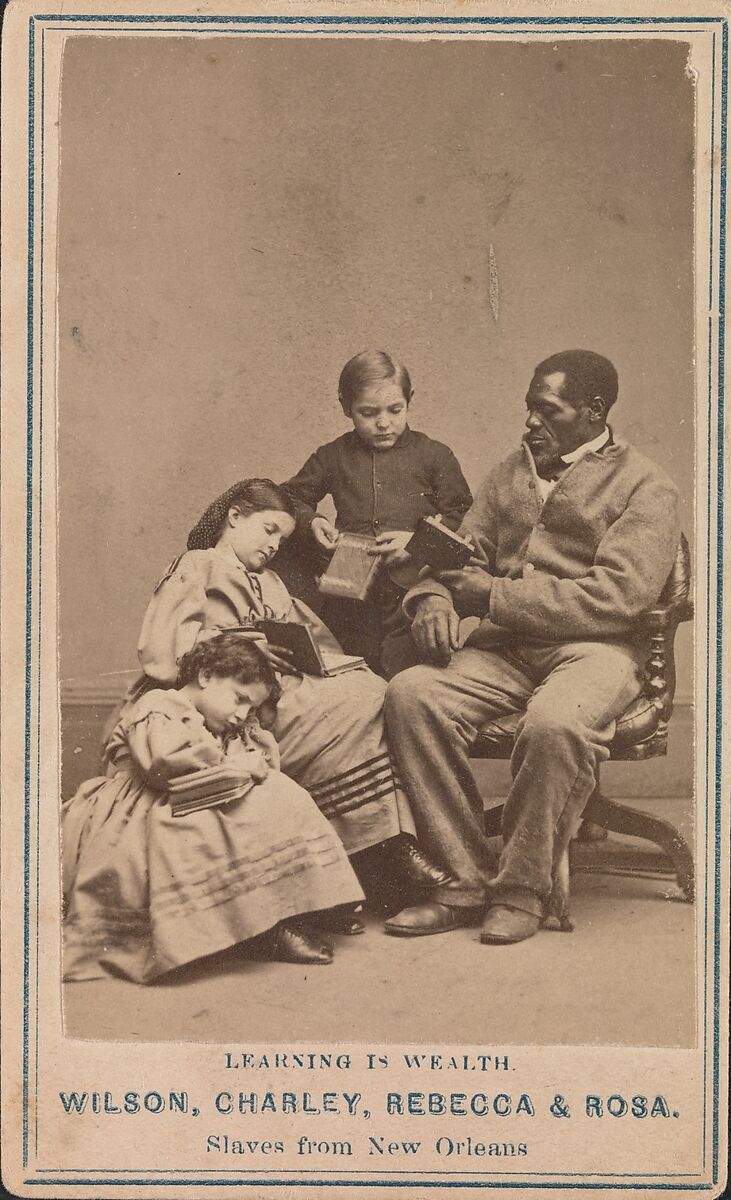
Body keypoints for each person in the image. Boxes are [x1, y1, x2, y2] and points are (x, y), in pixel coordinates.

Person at [383, 349, 681, 945]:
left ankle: (522, 889)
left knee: (552, 724)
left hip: (597, 651)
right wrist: (433, 599)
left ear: (595, 412)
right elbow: (450, 555)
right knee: (411, 695)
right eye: (529, 410)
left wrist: (492, 596)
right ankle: (462, 879)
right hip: (506, 652)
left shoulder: (647, 486)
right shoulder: (507, 474)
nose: (530, 425)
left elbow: (617, 597)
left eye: (548, 411)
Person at [127, 477, 450, 923]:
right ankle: (384, 853)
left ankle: (381, 851)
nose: (275, 545)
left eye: (282, 537)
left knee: (375, 691)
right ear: (234, 517)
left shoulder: (272, 582)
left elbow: (314, 640)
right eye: (268, 530)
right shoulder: (197, 565)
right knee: (355, 705)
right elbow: (163, 655)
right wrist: (240, 646)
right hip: (220, 697)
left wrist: (316, 658)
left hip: (279, 688)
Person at [63, 634, 365, 982]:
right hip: (142, 805)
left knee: (279, 794)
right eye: (239, 699)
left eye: (250, 709)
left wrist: (247, 754)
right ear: (205, 676)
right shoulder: (160, 705)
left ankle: (302, 905)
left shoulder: (217, 721)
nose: (242, 714)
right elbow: (164, 763)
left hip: (192, 793)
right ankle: (264, 928)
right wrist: (235, 768)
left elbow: (229, 764)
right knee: (210, 825)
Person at [280, 350, 472, 676]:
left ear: (410, 399)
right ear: (345, 407)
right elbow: (287, 497)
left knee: (405, 668)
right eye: (368, 413)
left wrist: (416, 543)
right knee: (348, 664)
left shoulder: (435, 455)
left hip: (412, 584)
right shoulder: (333, 456)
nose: (383, 422)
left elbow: (465, 516)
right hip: (348, 580)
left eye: (395, 410)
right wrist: (313, 522)